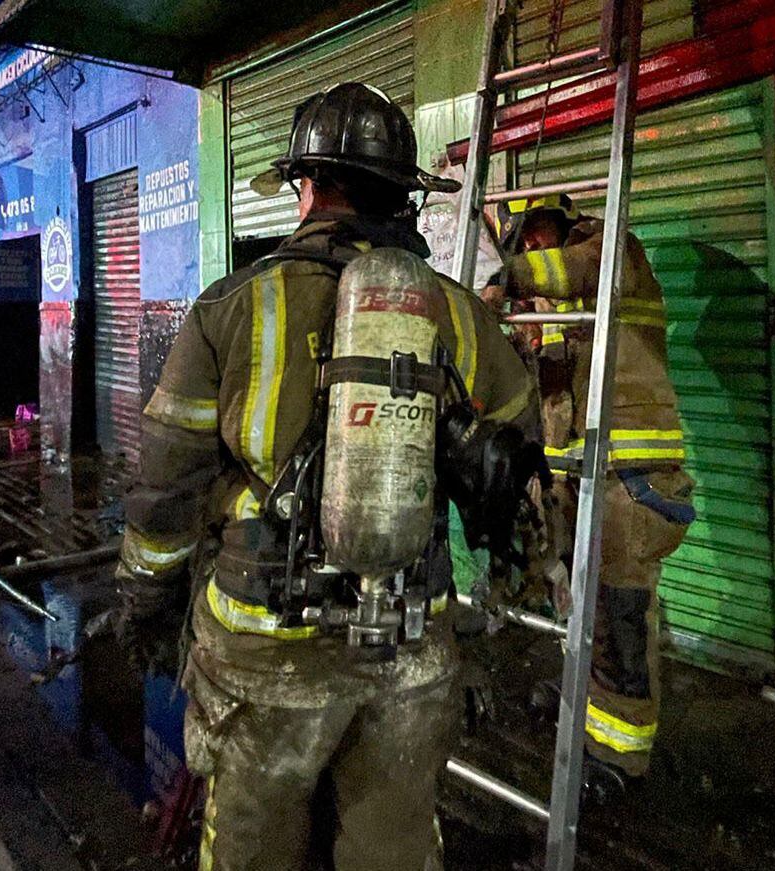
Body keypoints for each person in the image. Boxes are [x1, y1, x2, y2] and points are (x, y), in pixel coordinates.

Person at [115, 83, 540, 871]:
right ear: (402, 194)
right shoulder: (453, 312)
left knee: (252, 848)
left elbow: (166, 485)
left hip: (264, 652)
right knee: (393, 848)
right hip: (409, 646)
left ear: (306, 186)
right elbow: (517, 455)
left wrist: (146, 598)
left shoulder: (231, 307)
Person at [483, 194, 695, 794]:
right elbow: (551, 397)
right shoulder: (553, 307)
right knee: (584, 606)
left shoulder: (613, 251)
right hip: (579, 477)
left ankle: (623, 754)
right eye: (521, 245)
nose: (532, 251)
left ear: (563, 223)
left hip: (632, 479)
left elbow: (576, 269)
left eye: (537, 237)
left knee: (623, 617)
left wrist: (508, 279)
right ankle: (587, 707)